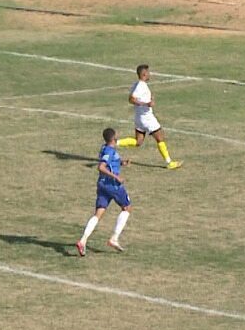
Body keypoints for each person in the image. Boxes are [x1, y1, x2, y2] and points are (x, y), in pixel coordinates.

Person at [77, 127, 132, 256]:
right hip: (112, 185)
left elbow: (111, 163)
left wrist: (122, 163)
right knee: (127, 208)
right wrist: (116, 177)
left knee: (98, 213)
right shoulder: (109, 151)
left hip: (102, 184)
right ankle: (114, 238)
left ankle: (82, 240)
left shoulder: (105, 148)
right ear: (113, 138)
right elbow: (101, 167)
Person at [116, 64, 181, 169]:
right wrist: (146, 104)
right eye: (148, 72)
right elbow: (131, 99)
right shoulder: (140, 86)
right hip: (147, 119)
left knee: (138, 141)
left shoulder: (137, 84)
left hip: (139, 118)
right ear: (144, 74)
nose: (150, 74)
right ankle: (169, 162)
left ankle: (115, 143)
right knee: (160, 138)